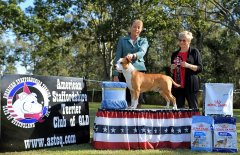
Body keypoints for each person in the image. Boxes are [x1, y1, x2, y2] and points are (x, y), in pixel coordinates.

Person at [113, 19, 149, 107]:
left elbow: (142, 52)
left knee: (138, 99)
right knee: (125, 99)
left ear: (141, 29)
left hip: (139, 72)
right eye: (134, 27)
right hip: (124, 72)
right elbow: (118, 57)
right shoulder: (122, 40)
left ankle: (138, 117)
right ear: (130, 27)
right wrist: (116, 74)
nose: (136, 29)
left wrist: (133, 55)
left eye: (139, 27)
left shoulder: (144, 41)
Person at [170, 30, 203, 109]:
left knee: (193, 109)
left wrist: (188, 65)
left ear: (189, 41)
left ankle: (196, 122)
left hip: (190, 86)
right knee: (178, 111)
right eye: (180, 40)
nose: (181, 42)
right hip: (177, 86)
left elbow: (200, 68)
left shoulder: (194, 52)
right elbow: (171, 72)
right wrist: (171, 68)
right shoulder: (174, 54)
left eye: (184, 40)